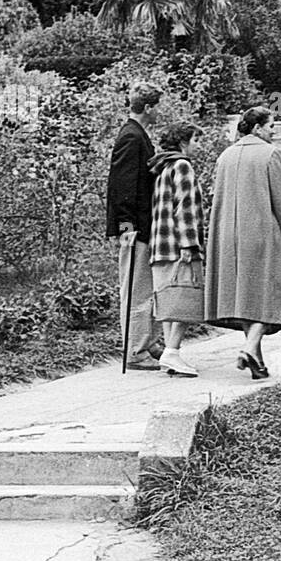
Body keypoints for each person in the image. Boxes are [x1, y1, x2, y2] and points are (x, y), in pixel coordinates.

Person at [204, 105, 281, 379]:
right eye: (271, 127)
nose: (274, 132)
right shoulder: (271, 154)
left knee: (246, 294)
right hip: (261, 233)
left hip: (227, 235)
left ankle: (256, 359)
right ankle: (248, 347)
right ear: (257, 128)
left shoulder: (226, 156)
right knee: (269, 293)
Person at [106, 82, 162, 370]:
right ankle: (135, 351)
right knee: (137, 290)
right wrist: (126, 226)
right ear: (149, 107)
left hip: (142, 224)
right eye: (157, 107)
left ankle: (147, 343)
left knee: (145, 287)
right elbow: (122, 186)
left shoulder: (137, 134)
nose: (158, 112)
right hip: (135, 226)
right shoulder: (131, 137)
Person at [148, 121, 206, 378]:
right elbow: (185, 208)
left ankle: (171, 353)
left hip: (160, 244)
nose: (198, 146)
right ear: (183, 143)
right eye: (195, 140)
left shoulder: (162, 168)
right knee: (184, 298)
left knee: (170, 300)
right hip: (178, 244)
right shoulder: (182, 166)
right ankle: (172, 350)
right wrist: (189, 244)